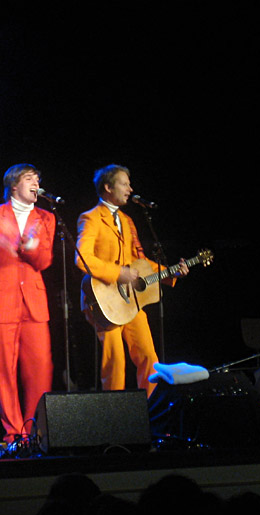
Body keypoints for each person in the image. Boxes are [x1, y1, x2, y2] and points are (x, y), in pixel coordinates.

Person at [75, 164, 188, 397]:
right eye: (124, 184)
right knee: (115, 361)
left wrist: (170, 272)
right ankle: (116, 420)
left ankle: (151, 413)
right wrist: (118, 274)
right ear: (108, 187)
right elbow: (82, 258)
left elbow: (139, 261)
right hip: (104, 301)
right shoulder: (91, 218)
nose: (130, 189)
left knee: (149, 356)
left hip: (130, 300)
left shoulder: (127, 220)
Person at [0, 164, 56, 443]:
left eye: (38, 179)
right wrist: (4, 243)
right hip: (1, 300)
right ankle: (14, 433)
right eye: (29, 179)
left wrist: (30, 249)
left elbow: (45, 260)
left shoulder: (46, 217)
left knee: (40, 368)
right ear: (14, 186)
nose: (36, 183)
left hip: (33, 301)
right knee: (5, 371)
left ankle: (36, 432)